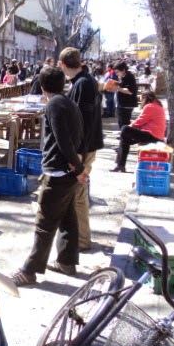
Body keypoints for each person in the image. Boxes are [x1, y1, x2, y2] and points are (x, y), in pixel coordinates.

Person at [10, 67, 88, 286]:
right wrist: (78, 164)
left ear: (42, 86)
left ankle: (30, 270)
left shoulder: (54, 104)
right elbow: (80, 134)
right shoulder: (69, 102)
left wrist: (78, 167)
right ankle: (66, 261)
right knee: (67, 217)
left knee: (44, 223)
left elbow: (63, 141)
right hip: (66, 171)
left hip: (58, 172)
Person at [59, 47, 104, 252]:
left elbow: (83, 122)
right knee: (77, 193)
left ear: (63, 65)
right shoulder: (85, 81)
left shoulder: (84, 83)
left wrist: (78, 152)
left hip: (84, 148)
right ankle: (79, 237)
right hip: (85, 146)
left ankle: (82, 240)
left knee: (77, 193)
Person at [111, 90, 166, 172]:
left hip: (152, 135)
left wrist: (129, 127)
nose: (140, 101)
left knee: (125, 129)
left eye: (141, 98)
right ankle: (120, 164)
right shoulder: (157, 105)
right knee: (124, 139)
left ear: (145, 98)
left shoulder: (150, 106)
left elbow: (139, 121)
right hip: (154, 135)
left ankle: (120, 164)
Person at [108, 61, 138, 128]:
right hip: (121, 104)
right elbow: (121, 88)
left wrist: (118, 88)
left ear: (123, 70)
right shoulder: (123, 77)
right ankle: (123, 135)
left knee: (124, 123)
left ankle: (125, 136)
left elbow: (130, 91)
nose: (116, 74)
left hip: (126, 104)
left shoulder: (129, 77)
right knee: (121, 122)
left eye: (117, 72)